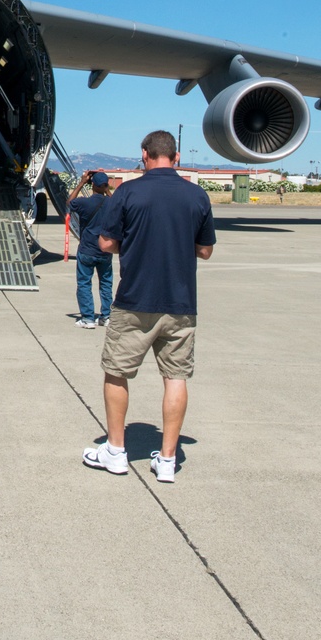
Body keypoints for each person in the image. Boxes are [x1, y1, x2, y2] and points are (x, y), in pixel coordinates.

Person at [83, 131, 216, 483]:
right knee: (175, 377)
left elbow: (107, 241)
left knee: (117, 372)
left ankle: (115, 450)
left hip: (135, 299)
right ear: (176, 156)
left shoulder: (127, 192)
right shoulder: (197, 195)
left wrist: (131, 244)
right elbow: (205, 250)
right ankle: (168, 458)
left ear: (144, 154)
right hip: (181, 301)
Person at [68, 170, 115, 328]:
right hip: (105, 249)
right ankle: (106, 316)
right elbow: (118, 204)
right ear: (106, 185)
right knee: (106, 284)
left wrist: (82, 182)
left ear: (92, 185)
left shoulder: (84, 203)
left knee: (84, 283)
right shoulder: (111, 203)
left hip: (87, 249)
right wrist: (106, 190)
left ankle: (88, 318)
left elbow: (69, 202)